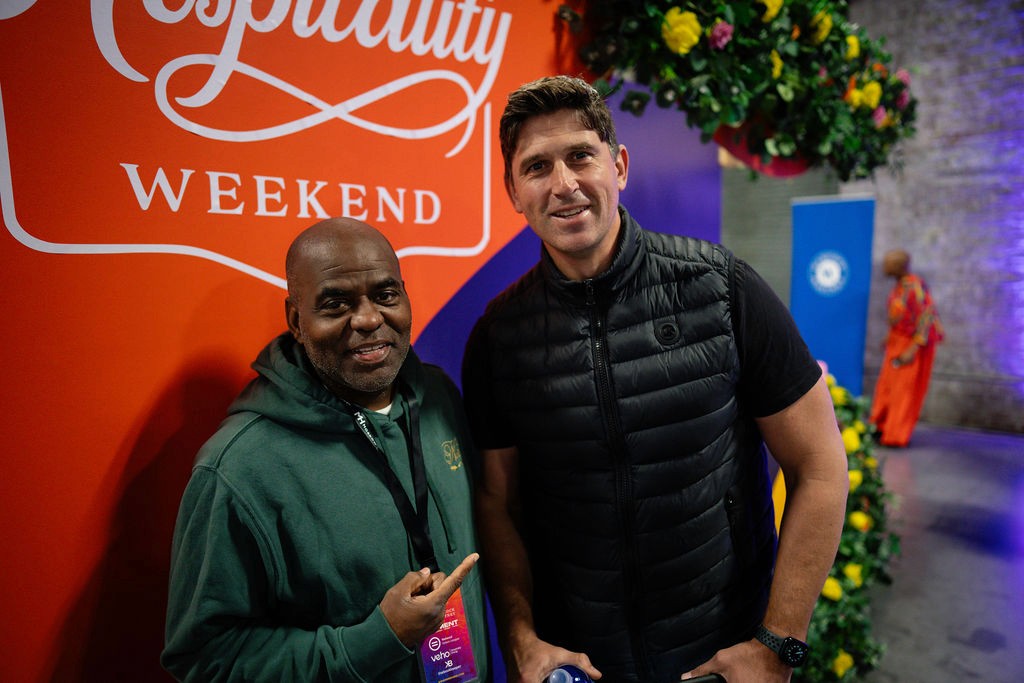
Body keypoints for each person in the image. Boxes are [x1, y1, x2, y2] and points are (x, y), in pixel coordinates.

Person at [461, 76, 850, 683]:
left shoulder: (722, 289)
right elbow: (498, 504)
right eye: (536, 167)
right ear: (513, 191)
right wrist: (520, 639)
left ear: (618, 166)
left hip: (719, 662)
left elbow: (820, 465)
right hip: (583, 670)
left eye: (580, 156)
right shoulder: (498, 338)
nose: (563, 184)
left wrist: (779, 644)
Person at [162, 218, 489, 682]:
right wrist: (375, 640)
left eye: (386, 295)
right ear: (296, 321)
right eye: (336, 304)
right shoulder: (237, 468)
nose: (369, 319)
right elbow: (204, 659)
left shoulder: (438, 397)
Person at [869, 249, 944, 448]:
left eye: (888, 263)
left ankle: (895, 435)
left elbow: (927, 316)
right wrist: (889, 337)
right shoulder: (900, 286)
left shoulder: (915, 286)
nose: (884, 267)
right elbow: (901, 316)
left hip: (910, 345)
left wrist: (912, 349)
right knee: (887, 388)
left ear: (899, 266)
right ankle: (881, 427)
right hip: (896, 343)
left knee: (903, 391)